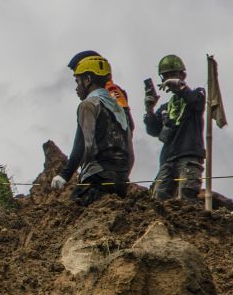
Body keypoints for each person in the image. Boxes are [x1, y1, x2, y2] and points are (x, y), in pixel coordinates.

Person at [50, 55, 132, 204]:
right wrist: (122, 176)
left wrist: (64, 175)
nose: (76, 87)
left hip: (96, 179)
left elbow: (83, 145)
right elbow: (130, 151)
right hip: (121, 181)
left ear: (87, 80)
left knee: (72, 216)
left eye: (78, 81)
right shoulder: (120, 109)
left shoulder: (89, 104)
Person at [143, 54, 205, 201]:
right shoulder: (166, 107)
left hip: (188, 154)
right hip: (168, 159)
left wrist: (180, 86)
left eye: (172, 74)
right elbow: (153, 130)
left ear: (183, 75)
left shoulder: (197, 94)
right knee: (158, 198)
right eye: (165, 76)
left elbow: (196, 102)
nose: (168, 79)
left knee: (187, 195)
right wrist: (149, 110)